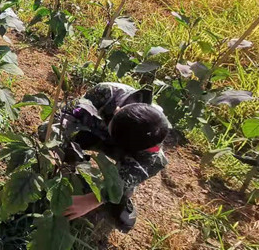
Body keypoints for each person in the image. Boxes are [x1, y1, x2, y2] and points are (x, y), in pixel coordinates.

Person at [48, 82, 170, 232]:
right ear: (117, 110)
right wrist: (51, 146)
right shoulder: (107, 94)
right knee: (63, 137)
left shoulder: (151, 142)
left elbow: (136, 172)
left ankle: (119, 198)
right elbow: (65, 115)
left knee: (127, 178)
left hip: (124, 150)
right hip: (91, 131)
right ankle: (69, 165)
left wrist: (93, 200)